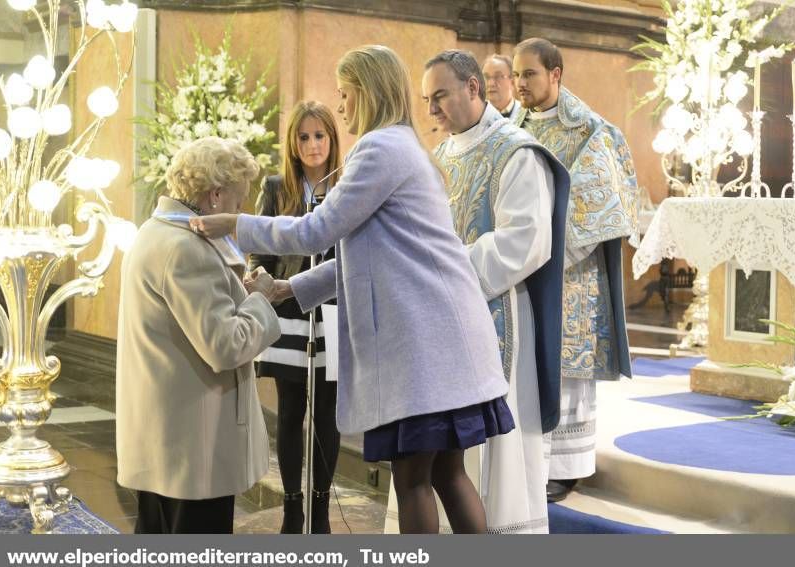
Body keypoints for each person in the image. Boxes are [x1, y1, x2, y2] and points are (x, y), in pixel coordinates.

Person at [190, 44, 514, 534]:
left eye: (345, 94)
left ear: (368, 92)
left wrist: (236, 223)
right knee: (447, 473)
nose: (340, 107)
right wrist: (286, 287)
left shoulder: (381, 148)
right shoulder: (404, 146)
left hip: (426, 344)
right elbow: (360, 255)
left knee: (414, 479)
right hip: (446, 336)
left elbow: (316, 231)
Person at [420, 49, 570, 534]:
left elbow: (527, 240)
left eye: (439, 96)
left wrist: (445, 270)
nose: (432, 111)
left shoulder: (516, 151)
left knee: (494, 455)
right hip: (442, 322)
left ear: (472, 88)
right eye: (426, 100)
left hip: (498, 316)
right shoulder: (440, 156)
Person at [116, 137, 282, 533]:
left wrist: (238, 290)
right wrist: (260, 299)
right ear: (215, 195)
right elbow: (225, 346)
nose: (238, 210)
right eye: (238, 201)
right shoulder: (185, 248)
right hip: (194, 447)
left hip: (167, 439)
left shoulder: (155, 233)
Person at [512, 38, 638, 502]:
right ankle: (529, 457)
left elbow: (602, 203)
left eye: (530, 74)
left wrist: (543, 250)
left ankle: (567, 466)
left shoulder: (588, 129)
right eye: (518, 75)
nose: (521, 84)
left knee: (565, 367)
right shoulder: (510, 127)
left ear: (556, 74)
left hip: (570, 272)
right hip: (522, 271)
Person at [248, 101, 342, 534]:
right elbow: (261, 248)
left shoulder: (345, 187)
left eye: (319, 135)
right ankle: (291, 504)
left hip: (332, 313)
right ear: (292, 143)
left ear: (332, 139)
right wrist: (259, 279)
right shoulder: (277, 187)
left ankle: (321, 507)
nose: (312, 145)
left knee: (327, 413)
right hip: (287, 311)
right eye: (303, 137)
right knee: (289, 412)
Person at [482, 53, 521, 122]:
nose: (490, 83)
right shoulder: (477, 115)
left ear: (512, 81)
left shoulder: (524, 113)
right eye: (486, 77)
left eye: (498, 76)